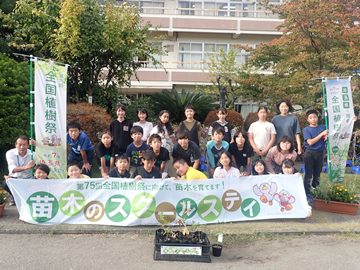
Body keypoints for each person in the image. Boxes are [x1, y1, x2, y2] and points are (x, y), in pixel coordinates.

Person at [303, 109, 328, 203]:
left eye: (314, 117)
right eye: (310, 117)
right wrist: (322, 134)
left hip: (320, 153)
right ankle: (307, 193)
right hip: (309, 153)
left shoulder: (323, 127)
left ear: (317, 118)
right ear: (308, 120)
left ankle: (315, 190)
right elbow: (310, 142)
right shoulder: (306, 129)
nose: (313, 119)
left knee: (317, 174)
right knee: (308, 174)